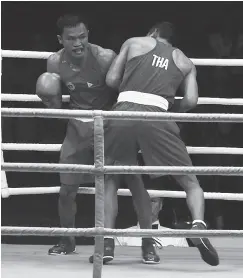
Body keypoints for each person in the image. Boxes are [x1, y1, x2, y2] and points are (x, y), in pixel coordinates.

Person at [99, 22, 219, 266]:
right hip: (159, 116)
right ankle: (197, 225)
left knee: (110, 179)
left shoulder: (134, 42)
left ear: (152, 33)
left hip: (124, 112)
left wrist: (133, 86)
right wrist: (166, 106)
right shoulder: (185, 61)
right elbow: (191, 100)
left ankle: (107, 243)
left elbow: (111, 79)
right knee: (190, 182)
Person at [36, 14, 154, 260]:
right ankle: (67, 240)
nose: (78, 43)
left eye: (82, 36)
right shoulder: (54, 63)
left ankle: (147, 243)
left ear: (88, 34)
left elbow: (126, 91)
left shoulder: (105, 57)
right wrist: (50, 99)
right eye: (71, 38)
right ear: (60, 39)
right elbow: (55, 106)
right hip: (76, 127)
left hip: (110, 125)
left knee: (133, 183)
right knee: (67, 190)